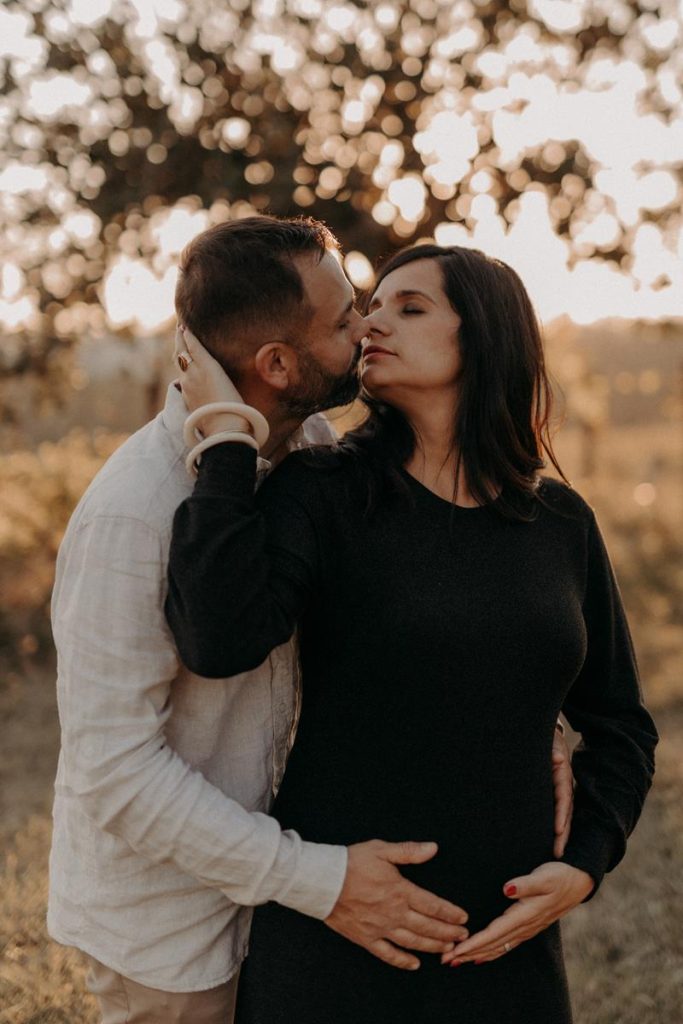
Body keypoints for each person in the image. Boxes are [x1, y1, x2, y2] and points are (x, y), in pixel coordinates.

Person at [49, 217, 573, 1023]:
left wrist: (527, 718)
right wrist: (318, 880)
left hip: (292, 900)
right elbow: (114, 772)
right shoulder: (137, 512)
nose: (366, 326)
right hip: (176, 931)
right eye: (344, 320)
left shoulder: (313, 448)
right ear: (277, 365)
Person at [166, 242, 658, 1024]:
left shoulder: (558, 523)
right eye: (372, 304)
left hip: (505, 948)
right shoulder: (324, 493)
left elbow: (621, 725)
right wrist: (225, 443)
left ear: (484, 337)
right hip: (341, 939)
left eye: (410, 307)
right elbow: (219, 638)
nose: (371, 323)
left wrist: (583, 867)